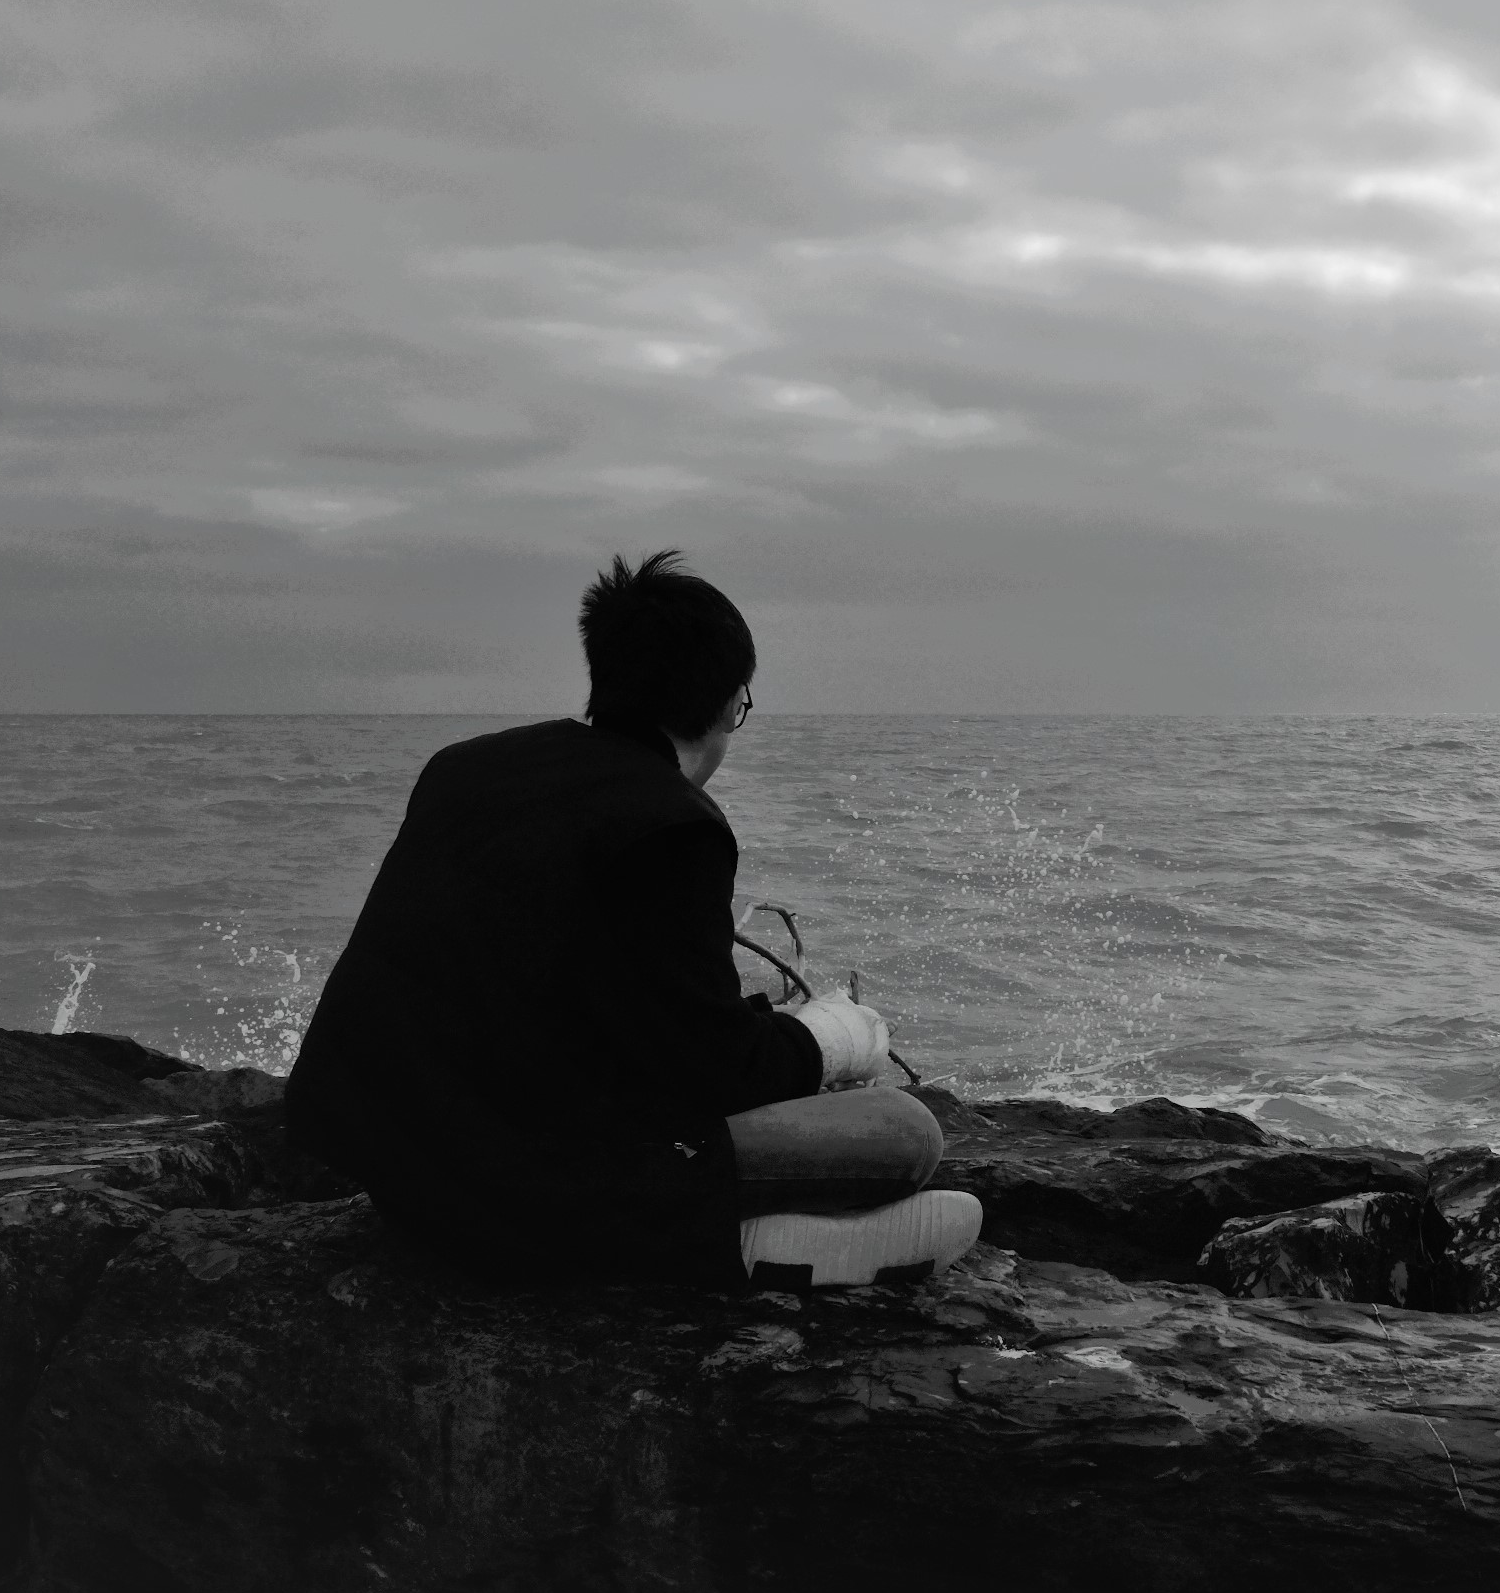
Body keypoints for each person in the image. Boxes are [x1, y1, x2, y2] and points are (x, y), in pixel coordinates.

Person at [286, 549, 981, 1291]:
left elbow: (577, 1005)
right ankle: (734, 1249)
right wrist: (835, 1039)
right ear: (724, 704)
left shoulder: (463, 767)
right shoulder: (672, 825)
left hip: (392, 1169)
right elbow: (711, 1073)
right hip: (528, 1199)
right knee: (908, 1136)